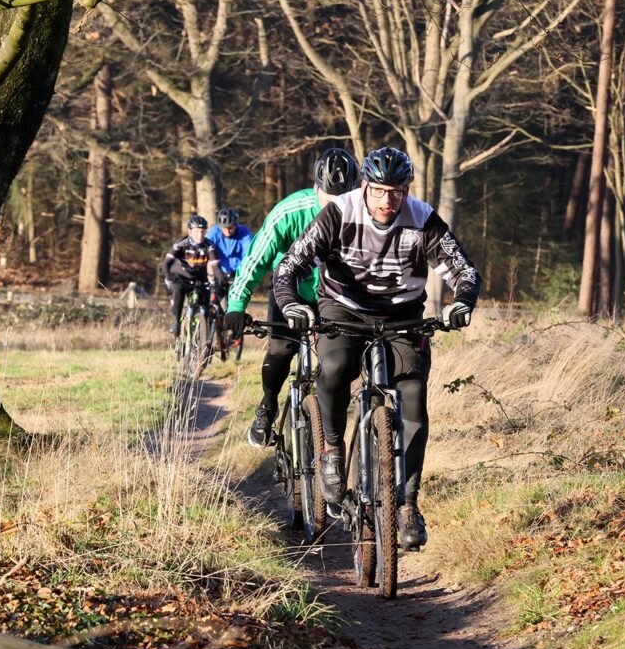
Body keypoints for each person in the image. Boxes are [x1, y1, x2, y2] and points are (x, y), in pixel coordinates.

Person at [273, 146, 481, 549]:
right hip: (343, 311)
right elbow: (290, 266)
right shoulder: (339, 213)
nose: (389, 200)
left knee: (414, 398)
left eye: (397, 191)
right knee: (334, 369)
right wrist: (292, 303)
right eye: (380, 190)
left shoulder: (422, 219)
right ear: (364, 186)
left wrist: (462, 302)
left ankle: (406, 504)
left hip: (404, 316)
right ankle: (331, 450)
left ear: (407, 190)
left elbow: (463, 269)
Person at [224, 148, 360, 447]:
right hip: (291, 292)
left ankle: (329, 433)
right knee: (281, 349)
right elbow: (255, 259)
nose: (336, 207)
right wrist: (236, 305)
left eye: (344, 199)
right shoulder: (290, 211)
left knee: (338, 361)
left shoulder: (364, 213)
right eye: (329, 199)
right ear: (315, 190)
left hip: (335, 297)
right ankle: (268, 406)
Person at [162, 215, 222, 335]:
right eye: (196, 232)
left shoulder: (209, 246)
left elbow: (215, 267)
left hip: (199, 277)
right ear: (190, 231)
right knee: (178, 291)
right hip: (179, 276)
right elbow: (167, 262)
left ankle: (203, 337)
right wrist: (168, 277)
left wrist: (222, 279)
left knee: (206, 302)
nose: (200, 235)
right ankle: (176, 323)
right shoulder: (181, 243)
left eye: (202, 231)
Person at [205, 208, 253, 298]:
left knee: (234, 300)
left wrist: (243, 275)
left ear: (236, 225)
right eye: (224, 228)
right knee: (212, 299)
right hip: (219, 271)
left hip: (238, 272)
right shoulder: (214, 233)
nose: (227, 231)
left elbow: (249, 255)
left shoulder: (245, 233)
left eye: (230, 228)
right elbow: (205, 246)